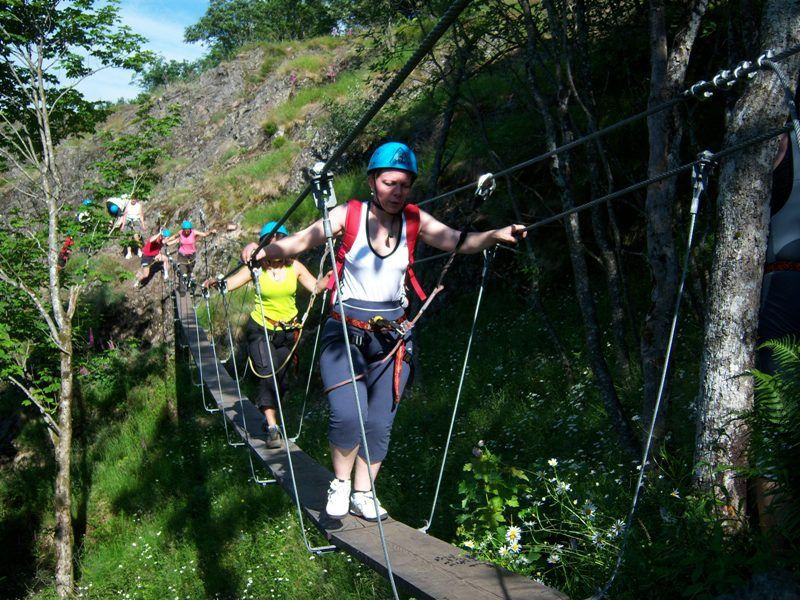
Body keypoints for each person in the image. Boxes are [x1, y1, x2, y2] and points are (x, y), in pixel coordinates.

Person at [251, 142, 525, 521]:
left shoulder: (414, 220)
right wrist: (267, 251)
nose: (397, 192)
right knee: (349, 414)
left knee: (380, 422)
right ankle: (341, 484)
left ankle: (364, 492)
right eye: (389, 183)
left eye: (405, 185)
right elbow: (302, 240)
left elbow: (458, 241)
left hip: (393, 337)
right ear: (372, 182)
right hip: (345, 332)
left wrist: (495, 234)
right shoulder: (348, 215)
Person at [205, 222, 328, 449]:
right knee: (266, 373)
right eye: (271, 241)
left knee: (281, 382)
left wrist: (329, 280)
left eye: (280, 240)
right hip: (261, 328)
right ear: (264, 245)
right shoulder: (256, 268)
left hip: (288, 333)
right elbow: (230, 284)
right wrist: (217, 283)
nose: (275, 245)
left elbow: (314, 287)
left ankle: (267, 416)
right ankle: (272, 427)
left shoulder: (295, 267)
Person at [167, 220, 216, 295]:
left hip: (191, 256)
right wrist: (167, 240)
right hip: (182, 256)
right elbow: (174, 237)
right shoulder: (180, 233)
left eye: (188, 230)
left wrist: (211, 231)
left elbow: (204, 234)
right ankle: (182, 290)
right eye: (185, 230)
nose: (186, 232)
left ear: (190, 229)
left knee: (189, 272)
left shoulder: (194, 232)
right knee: (182, 273)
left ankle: (188, 283)